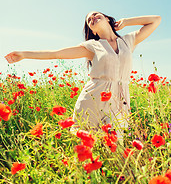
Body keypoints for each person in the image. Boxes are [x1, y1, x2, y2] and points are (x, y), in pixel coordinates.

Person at [4, 11, 161, 144]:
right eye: (89, 21)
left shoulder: (128, 41)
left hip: (119, 100)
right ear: (93, 31)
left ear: (107, 18)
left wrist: (126, 22)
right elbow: (56, 53)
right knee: (88, 146)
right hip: (93, 100)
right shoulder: (93, 46)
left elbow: (156, 20)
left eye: (95, 14)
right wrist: (24, 54)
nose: (92, 18)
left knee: (116, 146)